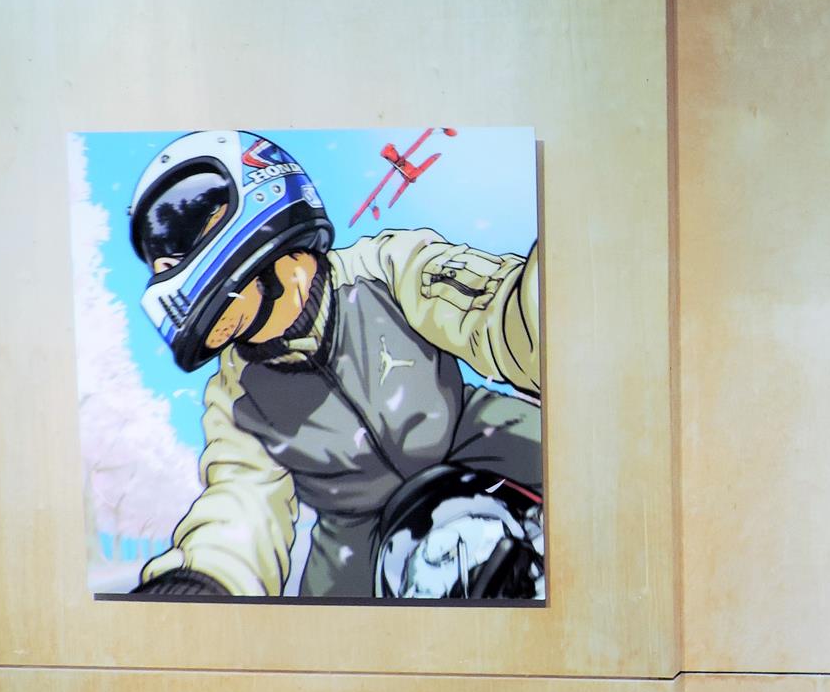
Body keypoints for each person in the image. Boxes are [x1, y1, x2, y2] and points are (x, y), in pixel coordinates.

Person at [125, 129, 544, 598]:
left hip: (473, 435)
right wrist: (201, 583)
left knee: (575, 467)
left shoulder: (386, 270)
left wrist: (551, 300)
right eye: (157, 258)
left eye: (176, 238)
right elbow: (241, 503)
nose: (164, 270)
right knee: (332, 636)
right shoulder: (235, 393)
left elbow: (503, 315)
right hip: (356, 532)